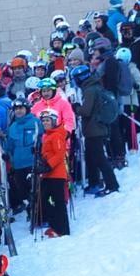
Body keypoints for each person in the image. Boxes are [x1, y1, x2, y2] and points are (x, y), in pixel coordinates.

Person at [77, 62, 121, 197]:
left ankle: (112, 185)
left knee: (99, 158)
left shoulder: (90, 90)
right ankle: (95, 183)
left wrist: (76, 107)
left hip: (95, 129)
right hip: (95, 128)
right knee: (91, 157)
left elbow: (86, 111)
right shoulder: (94, 86)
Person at [36, 108, 72, 237]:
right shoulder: (48, 135)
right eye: (43, 120)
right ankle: (56, 226)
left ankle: (62, 230)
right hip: (49, 173)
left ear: (54, 121)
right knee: (43, 200)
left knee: (58, 201)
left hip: (56, 174)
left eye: (47, 120)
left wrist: (48, 166)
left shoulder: (56, 135)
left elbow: (59, 153)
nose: (45, 123)